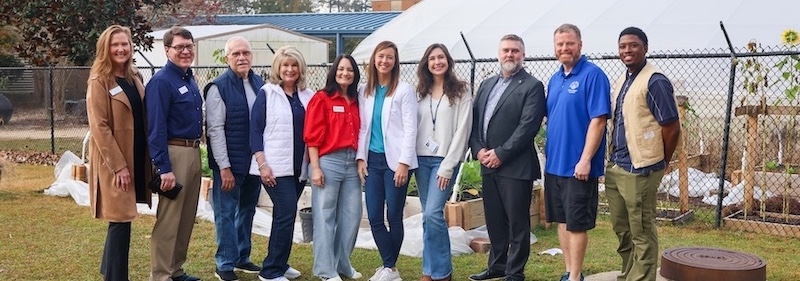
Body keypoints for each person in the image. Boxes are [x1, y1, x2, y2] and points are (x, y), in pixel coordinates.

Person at [467, 34, 546, 281]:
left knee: (517, 222)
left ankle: (515, 272)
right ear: (498, 54)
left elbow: (528, 126)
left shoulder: (532, 86)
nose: (510, 54)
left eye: (515, 50)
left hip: (516, 166)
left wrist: (501, 153)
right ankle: (497, 266)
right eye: (505, 50)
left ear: (523, 55)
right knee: (495, 221)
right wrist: (478, 149)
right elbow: (474, 122)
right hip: (487, 164)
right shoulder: (486, 84)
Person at [605, 27, 681, 281]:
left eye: (633, 45)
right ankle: (629, 273)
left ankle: (642, 278)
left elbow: (671, 127)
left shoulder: (655, 81)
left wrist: (661, 161)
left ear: (645, 48)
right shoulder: (623, 80)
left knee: (641, 229)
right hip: (617, 164)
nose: (627, 50)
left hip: (641, 168)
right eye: (622, 46)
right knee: (622, 227)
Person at [544, 24, 611, 281]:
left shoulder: (593, 76)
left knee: (576, 223)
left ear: (580, 45)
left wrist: (585, 160)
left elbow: (599, 120)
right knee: (562, 221)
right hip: (554, 165)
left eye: (569, 43)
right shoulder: (555, 79)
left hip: (578, 168)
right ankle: (570, 271)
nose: (565, 48)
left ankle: (575, 276)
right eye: (560, 44)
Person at [86, 25, 150, 281]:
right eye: (115, 45)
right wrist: (119, 166)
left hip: (135, 155)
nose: (121, 49)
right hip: (114, 160)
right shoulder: (99, 80)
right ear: (106, 48)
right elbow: (99, 127)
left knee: (121, 219)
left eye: (125, 44)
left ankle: (109, 269)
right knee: (120, 220)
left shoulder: (134, 76)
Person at [356, 40, 418, 281]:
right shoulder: (365, 90)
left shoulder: (404, 90)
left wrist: (404, 163)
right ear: (374, 59)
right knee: (373, 216)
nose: (384, 61)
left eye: (389, 57)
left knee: (393, 215)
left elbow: (411, 129)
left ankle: (389, 268)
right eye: (381, 56)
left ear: (395, 62)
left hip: (396, 163)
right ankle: (390, 267)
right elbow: (363, 127)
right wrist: (361, 157)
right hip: (373, 161)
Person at [204, 36, 265, 281]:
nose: (242, 57)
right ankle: (224, 264)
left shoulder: (259, 83)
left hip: (253, 163)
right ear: (227, 58)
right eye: (236, 54)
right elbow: (215, 129)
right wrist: (224, 166)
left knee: (247, 210)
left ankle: (242, 256)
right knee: (226, 213)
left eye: (246, 53)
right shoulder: (218, 87)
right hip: (230, 164)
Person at [146, 26, 203, 281]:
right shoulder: (161, 82)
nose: (185, 51)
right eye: (179, 47)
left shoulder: (188, 79)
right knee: (169, 219)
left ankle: (176, 270)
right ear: (167, 50)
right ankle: (161, 275)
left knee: (186, 217)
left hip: (193, 152)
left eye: (189, 46)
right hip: (174, 155)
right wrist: (164, 167)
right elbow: (156, 127)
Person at [250, 46, 312, 281]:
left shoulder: (307, 95)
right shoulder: (267, 93)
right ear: (278, 67)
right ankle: (270, 271)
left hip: (298, 167)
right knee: (286, 212)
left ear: (300, 68)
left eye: (294, 65)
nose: (290, 69)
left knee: (284, 214)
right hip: (274, 168)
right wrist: (262, 164)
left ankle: (280, 263)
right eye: (285, 65)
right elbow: (255, 131)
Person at [413, 43, 472, 281]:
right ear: (426, 64)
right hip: (421, 160)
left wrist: (448, 166)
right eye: (432, 58)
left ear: (448, 61)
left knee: (433, 213)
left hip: (444, 160)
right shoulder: (420, 91)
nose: (437, 62)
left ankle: (442, 272)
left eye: (441, 57)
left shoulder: (461, 91)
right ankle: (429, 270)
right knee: (428, 217)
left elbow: (462, 131)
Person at [304, 54, 364, 281]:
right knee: (325, 216)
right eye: (341, 69)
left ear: (355, 75)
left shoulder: (357, 100)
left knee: (352, 215)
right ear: (334, 72)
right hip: (328, 161)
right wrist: (315, 168)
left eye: (350, 70)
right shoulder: (322, 98)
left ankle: (342, 264)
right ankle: (325, 270)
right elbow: (312, 137)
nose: (345, 73)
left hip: (352, 162)